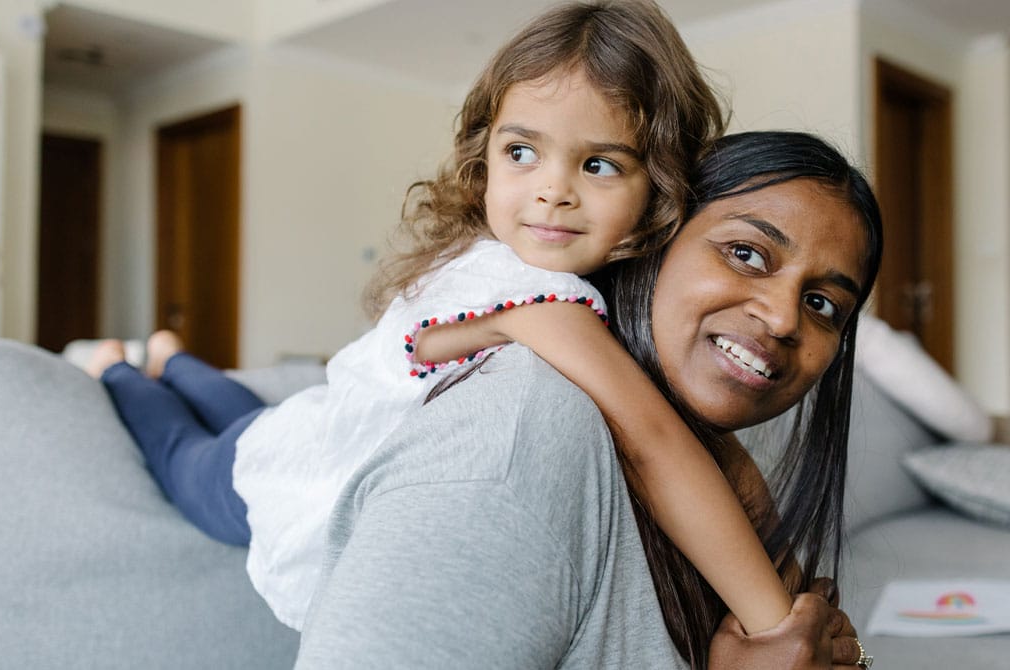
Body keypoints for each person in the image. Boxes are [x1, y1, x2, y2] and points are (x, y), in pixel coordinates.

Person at [88, 0, 805, 640]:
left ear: (659, 192)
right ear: (485, 158)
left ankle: (175, 358)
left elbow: (705, 447)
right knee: (185, 452)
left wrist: (798, 581)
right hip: (287, 468)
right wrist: (778, 622)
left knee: (240, 411)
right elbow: (654, 440)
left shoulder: (569, 282)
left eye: (600, 166)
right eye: (522, 152)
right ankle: (122, 368)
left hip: (311, 420)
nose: (552, 191)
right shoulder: (527, 292)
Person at [295, 130, 883, 669]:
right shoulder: (517, 440)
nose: (783, 318)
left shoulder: (719, 458)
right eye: (746, 253)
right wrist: (776, 624)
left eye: (823, 304)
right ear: (650, 237)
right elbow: (652, 442)